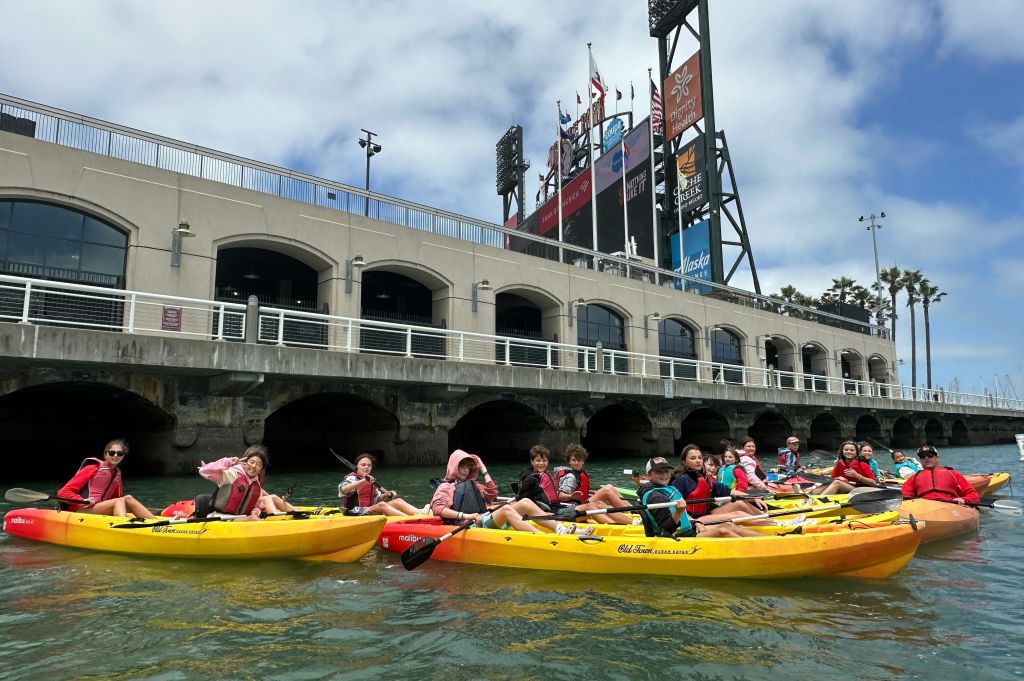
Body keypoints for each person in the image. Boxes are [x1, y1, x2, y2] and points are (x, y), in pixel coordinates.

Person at [431, 449, 593, 535]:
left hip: (483, 519)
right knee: (507, 510)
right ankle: (543, 538)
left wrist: (483, 469)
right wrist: (466, 516)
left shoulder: (472, 484)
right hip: (470, 525)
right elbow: (438, 508)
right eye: (462, 466)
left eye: (468, 467)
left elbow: (492, 494)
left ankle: (560, 529)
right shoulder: (446, 486)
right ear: (454, 467)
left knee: (525, 502)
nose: (465, 470)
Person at [636, 457, 761, 538]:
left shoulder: (664, 489)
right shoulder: (655, 496)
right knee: (723, 530)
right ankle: (757, 550)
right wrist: (679, 511)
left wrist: (695, 523)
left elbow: (684, 517)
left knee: (729, 525)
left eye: (666, 471)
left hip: (687, 529)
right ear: (649, 476)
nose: (664, 475)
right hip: (678, 537)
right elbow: (667, 529)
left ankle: (768, 541)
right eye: (659, 472)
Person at [56, 439, 156, 518]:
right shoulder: (92, 468)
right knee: (119, 501)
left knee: (127, 498)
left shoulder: (117, 475)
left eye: (119, 453)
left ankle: (157, 525)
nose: (115, 455)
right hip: (82, 509)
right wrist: (83, 500)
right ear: (105, 454)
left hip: (100, 509)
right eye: (112, 453)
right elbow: (63, 492)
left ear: (123, 456)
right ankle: (123, 528)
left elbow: (117, 499)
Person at [670, 445, 769, 522]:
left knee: (740, 503)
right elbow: (672, 506)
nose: (698, 461)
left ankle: (768, 520)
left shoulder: (705, 478)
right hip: (692, 518)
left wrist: (753, 498)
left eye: (700, 458)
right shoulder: (680, 480)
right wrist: (692, 522)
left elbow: (729, 491)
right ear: (684, 461)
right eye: (693, 458)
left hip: (706, 513)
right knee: (739, 515)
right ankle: (767, 524)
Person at [554, 443, 632, 523]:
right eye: (574, 460)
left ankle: (630, 508)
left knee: (609, 486)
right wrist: (571, 496)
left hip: (583, 501)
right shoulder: (570, 477)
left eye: (579, 460)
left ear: (583, 461)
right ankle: (628, 512)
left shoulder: (580, 473)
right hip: (577, 506)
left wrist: (588, 493)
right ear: (569, 462)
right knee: (607, 491)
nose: (576, 462)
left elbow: (580, 488)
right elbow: (560, 496)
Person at [195, 445, 270, 519]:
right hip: (221, 517)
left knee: (255, 517)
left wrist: (255, 511)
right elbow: (204, 471)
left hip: (241, 518)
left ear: (261, 470)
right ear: (245, 463)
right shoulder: (232, 475)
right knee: (254, 519)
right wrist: (229, 462)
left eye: (258, 464)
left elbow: (256, 506)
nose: (253, 466)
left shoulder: (257, 486)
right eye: (252, 462)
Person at [338, 453, 425, 516]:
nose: (366, 467)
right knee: (382, 505)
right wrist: (363, 481)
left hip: (370, 509)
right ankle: (408, 519)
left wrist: (386, 495)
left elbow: (377, 500)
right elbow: (343, 489)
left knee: (398, 501)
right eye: (363, 465)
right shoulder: (352, 478)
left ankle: (421, 514)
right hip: (354, 511)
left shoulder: (371, 481)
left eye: (369, 465)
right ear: (357, 466)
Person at [902, 445, 980, 505]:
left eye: (930, 455)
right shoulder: (914, 478)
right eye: (923, 456)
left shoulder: (952, 474)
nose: (926, 458)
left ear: (937, 458)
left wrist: (964, 499)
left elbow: (973, 494)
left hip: (950, 504)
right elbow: (904, 496)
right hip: (925, 505)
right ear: (920, 460)